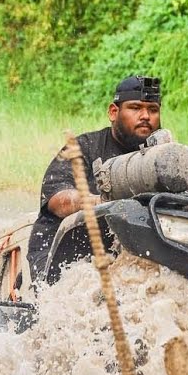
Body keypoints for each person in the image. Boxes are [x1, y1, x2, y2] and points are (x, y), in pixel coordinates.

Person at [28, 75, 163, 284]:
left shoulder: (165, 159)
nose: (145, 116)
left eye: (153, 110)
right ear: (113, 112)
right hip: (65, 255)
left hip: (133, 257)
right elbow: (57, 200)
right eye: (135, 108)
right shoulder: (85, 147)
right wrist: (101, 202)